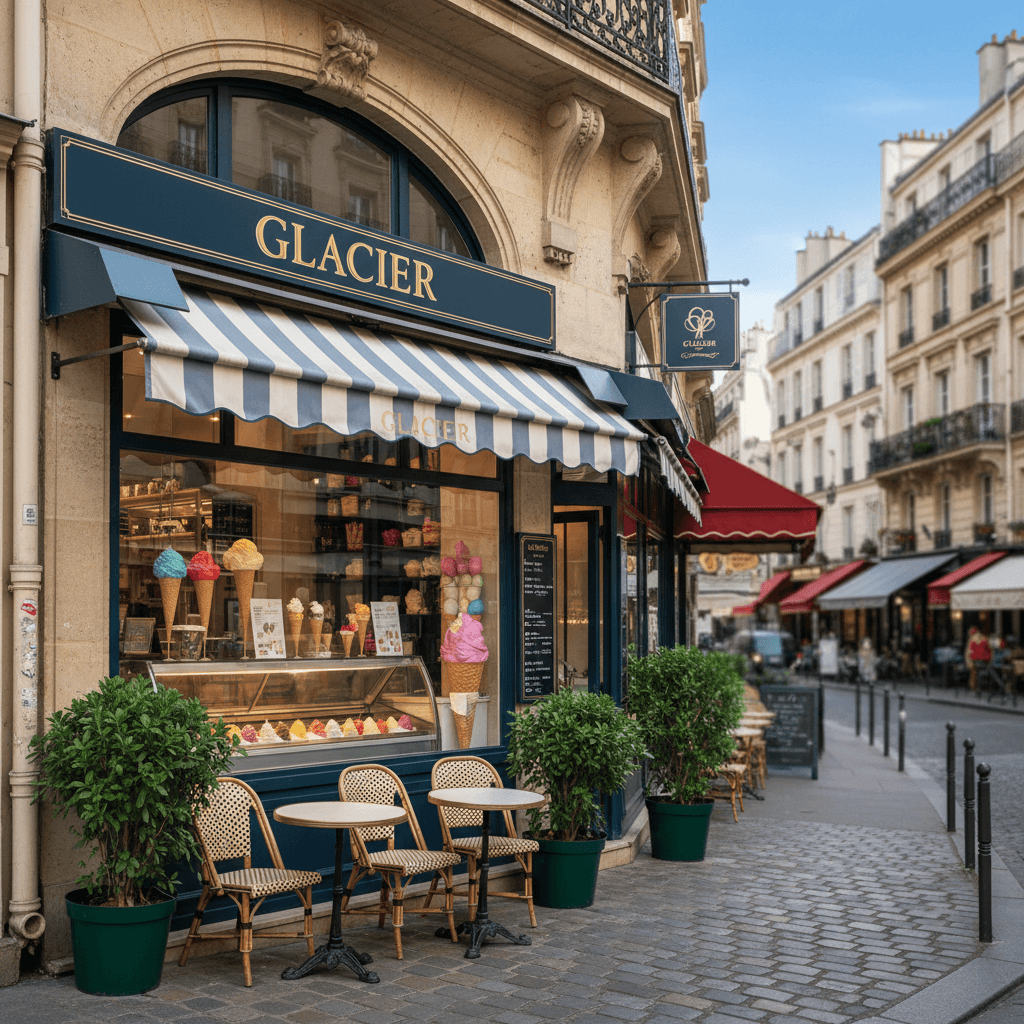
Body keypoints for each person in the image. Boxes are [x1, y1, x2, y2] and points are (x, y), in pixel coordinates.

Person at [967, 627, 992, 692]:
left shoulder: (972, 639)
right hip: (983, 660)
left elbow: (969, 652)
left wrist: (969, 661)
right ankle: (979, 685)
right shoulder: (984, 638)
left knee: (974, 671)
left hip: (976, 660)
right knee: (976, 671)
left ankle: (974, 687)